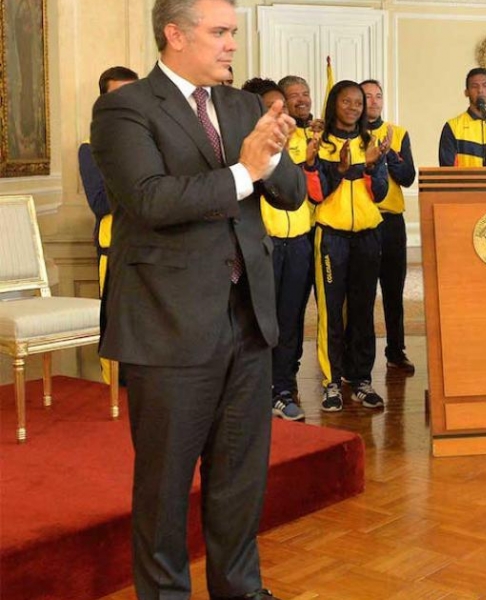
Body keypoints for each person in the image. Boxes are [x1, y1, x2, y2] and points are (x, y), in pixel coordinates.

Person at [89, 0, 306, 597]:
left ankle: (240, 589)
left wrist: (275, 151)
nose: (232, 44)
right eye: (219, 32)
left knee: (239, 479)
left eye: (233, 32)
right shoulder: (124, 109)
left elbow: (288, 194)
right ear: (175, 34)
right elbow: (151, 200)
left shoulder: (242, 106)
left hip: (246, 320)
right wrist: (244, 170)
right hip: (168, 322)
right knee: (164, 487)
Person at [305, 80, 390, 412]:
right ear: (333, 104)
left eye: (359, 103)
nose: (355, 107)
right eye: (347, 102)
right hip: (332, 237)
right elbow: (317, 193)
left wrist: (369, 166)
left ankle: (361, 379)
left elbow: (379, 192)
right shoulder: (321, 144)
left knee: (363, 309)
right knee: (330, 311)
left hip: (368, 236)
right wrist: (340, 169)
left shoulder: (371, 143)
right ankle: (331, 381)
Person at [244, 76, 314, 421]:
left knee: (291, 319)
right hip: (265, 246)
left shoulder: (302, 139)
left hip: (299, 242)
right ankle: (259, 390)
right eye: (272, 108)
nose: (281, 113)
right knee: (262, 323)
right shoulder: (246, 148)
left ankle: (283, 388)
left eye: (282, 107)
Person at [79, 65, 138, 387]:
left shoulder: (155, 140)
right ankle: (114, 398)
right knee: (117, 333)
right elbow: (101, 203)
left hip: (154, 247)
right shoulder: (90, 147)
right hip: (114, 248)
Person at [362, 79, 418, 375]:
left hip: (392, 221)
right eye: (367, 96)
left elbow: (408, 177)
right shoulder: (350, 133)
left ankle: (396, 351)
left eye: (378, 96)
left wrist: (389, 155)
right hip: (362, 222)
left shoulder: (398, 133)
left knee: (394, 291)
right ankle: (360, 355)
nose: (373, 101)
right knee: (363, 293)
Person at [438, 67, 486, 167]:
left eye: (485, 85)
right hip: (464, 182)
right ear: (466, 92)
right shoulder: (453, 127)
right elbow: (447, 169)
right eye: (474, 86)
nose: (480, 90)